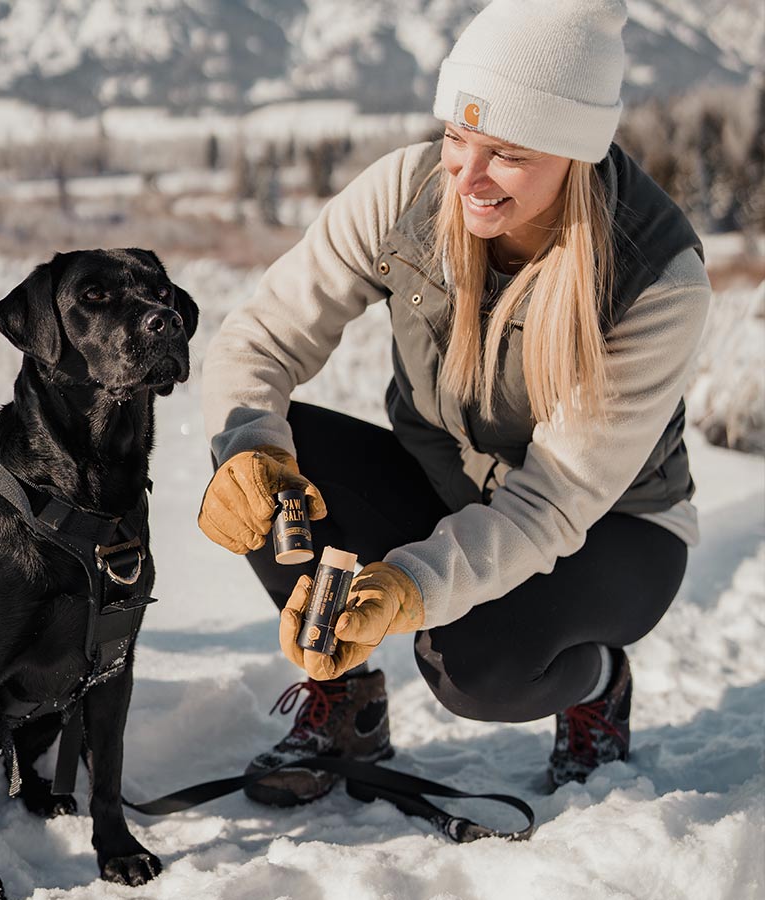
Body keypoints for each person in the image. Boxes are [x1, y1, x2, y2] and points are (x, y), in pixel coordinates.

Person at [198, 0, 711, 805]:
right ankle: (346, 701)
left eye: (505, 153)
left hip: (614, 529)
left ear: (574, 153)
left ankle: (596, 683)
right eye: (456, 138)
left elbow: (550, 504)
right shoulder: (406, 192)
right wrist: (247, 450)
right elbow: (263, 337)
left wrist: (410, 584)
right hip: (447, 482)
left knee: (474, 670)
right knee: (268, 450)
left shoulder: (654, 279)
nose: (466, 178)